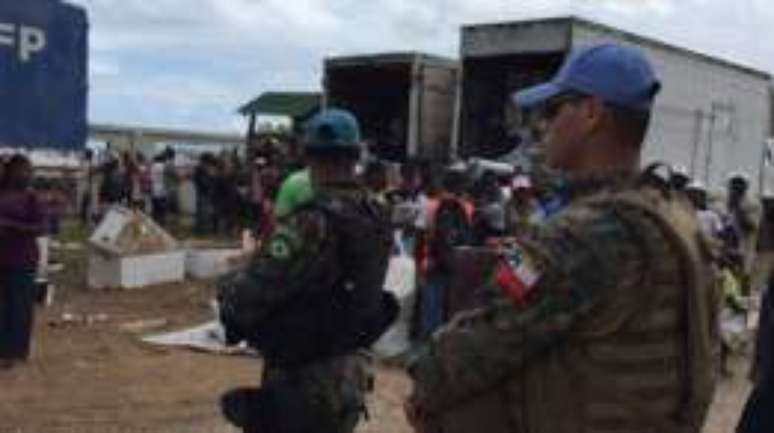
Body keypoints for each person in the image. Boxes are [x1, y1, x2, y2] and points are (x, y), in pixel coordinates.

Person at [405, 43, 719, 433]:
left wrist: (422, 381)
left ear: (590, 114)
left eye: (553, 110)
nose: (542, 125)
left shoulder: (580, 236)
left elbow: (477, 345)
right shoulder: (677, 219)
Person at [217, 109, 398, 433]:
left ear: (309, 157)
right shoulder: (376, 216)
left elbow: (247, 297)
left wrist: (232, 279)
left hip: (302, 379)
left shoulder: (310, 222)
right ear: (356, 156)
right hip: (350, 373)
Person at [0, 155, 45, 369]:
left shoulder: (31, 198)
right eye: (23, 170)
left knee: (20, 307)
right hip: (5, 257)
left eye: (28, 170)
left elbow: (40, 228)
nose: (27, 174)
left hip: (23, 259)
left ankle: (15, 352)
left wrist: (12, 226)